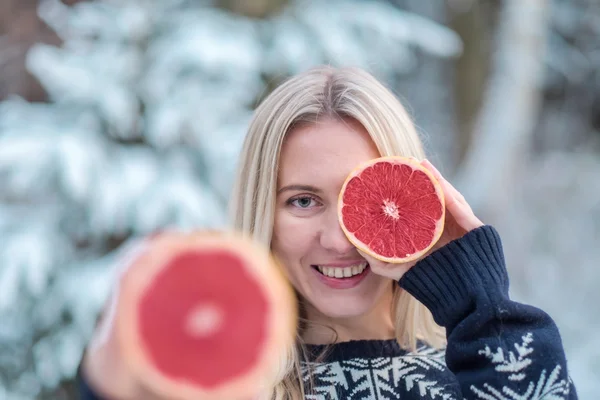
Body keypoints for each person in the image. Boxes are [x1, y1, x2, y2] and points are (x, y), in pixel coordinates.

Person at [77, 66, 578, 399]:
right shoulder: (226, 387)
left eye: (362, 203)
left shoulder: (472, 371)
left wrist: (481, 305)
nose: (338, 241)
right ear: (263, 213)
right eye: (303, 200)